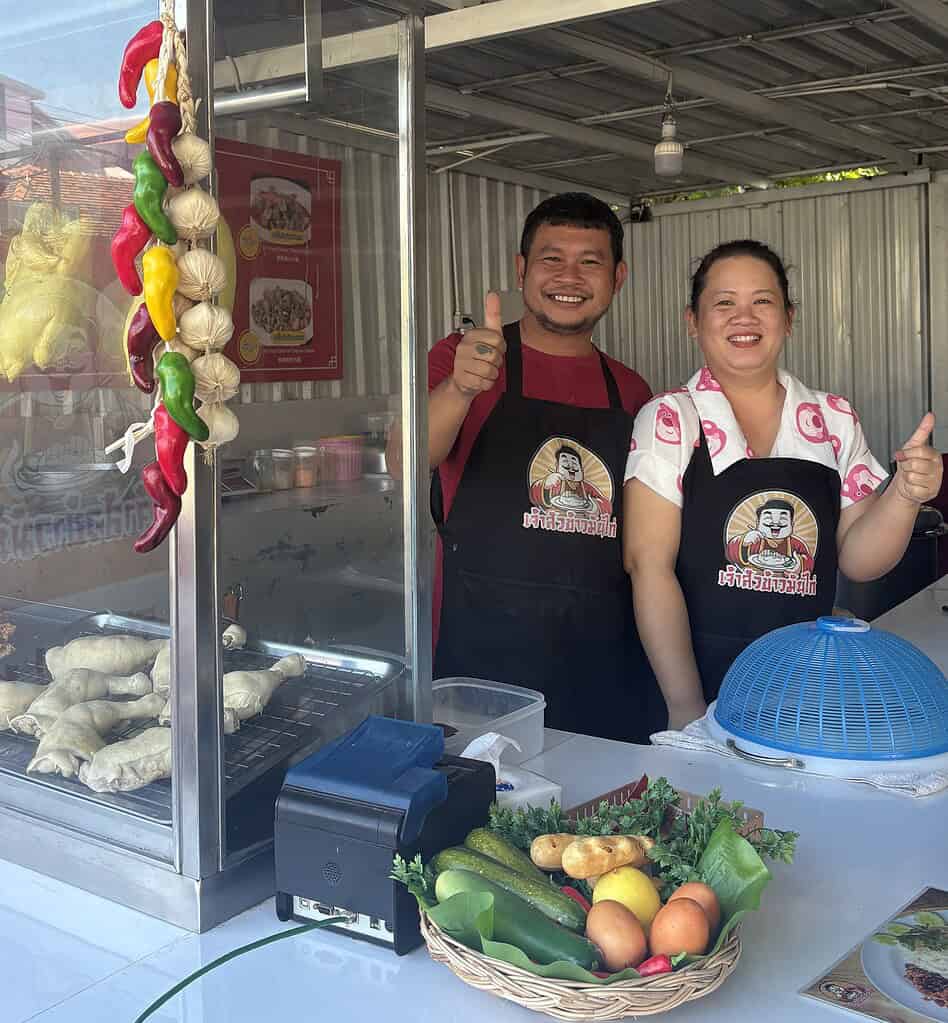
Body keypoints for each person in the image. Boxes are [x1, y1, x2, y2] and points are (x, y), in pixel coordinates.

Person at [623, 239, 943, 730]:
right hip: (691, 681)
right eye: (724, 303)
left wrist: (904, 494)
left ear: (788, 317)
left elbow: (859, 561)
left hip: (804, 686)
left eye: (763, 301)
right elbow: (649, 567)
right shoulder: (671, 417)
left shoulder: (832, 418)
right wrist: (685, 706)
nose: (744, 317)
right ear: (694, 321)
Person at [391, 192, 657, 741]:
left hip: (598, 657)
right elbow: (403, 463)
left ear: (618, 277)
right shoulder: (464, 358)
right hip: (480, 657)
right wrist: (461, 388)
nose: (570, 276)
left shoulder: (631, 391)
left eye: (591, 261)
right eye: (551, 258)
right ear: (521, 269)